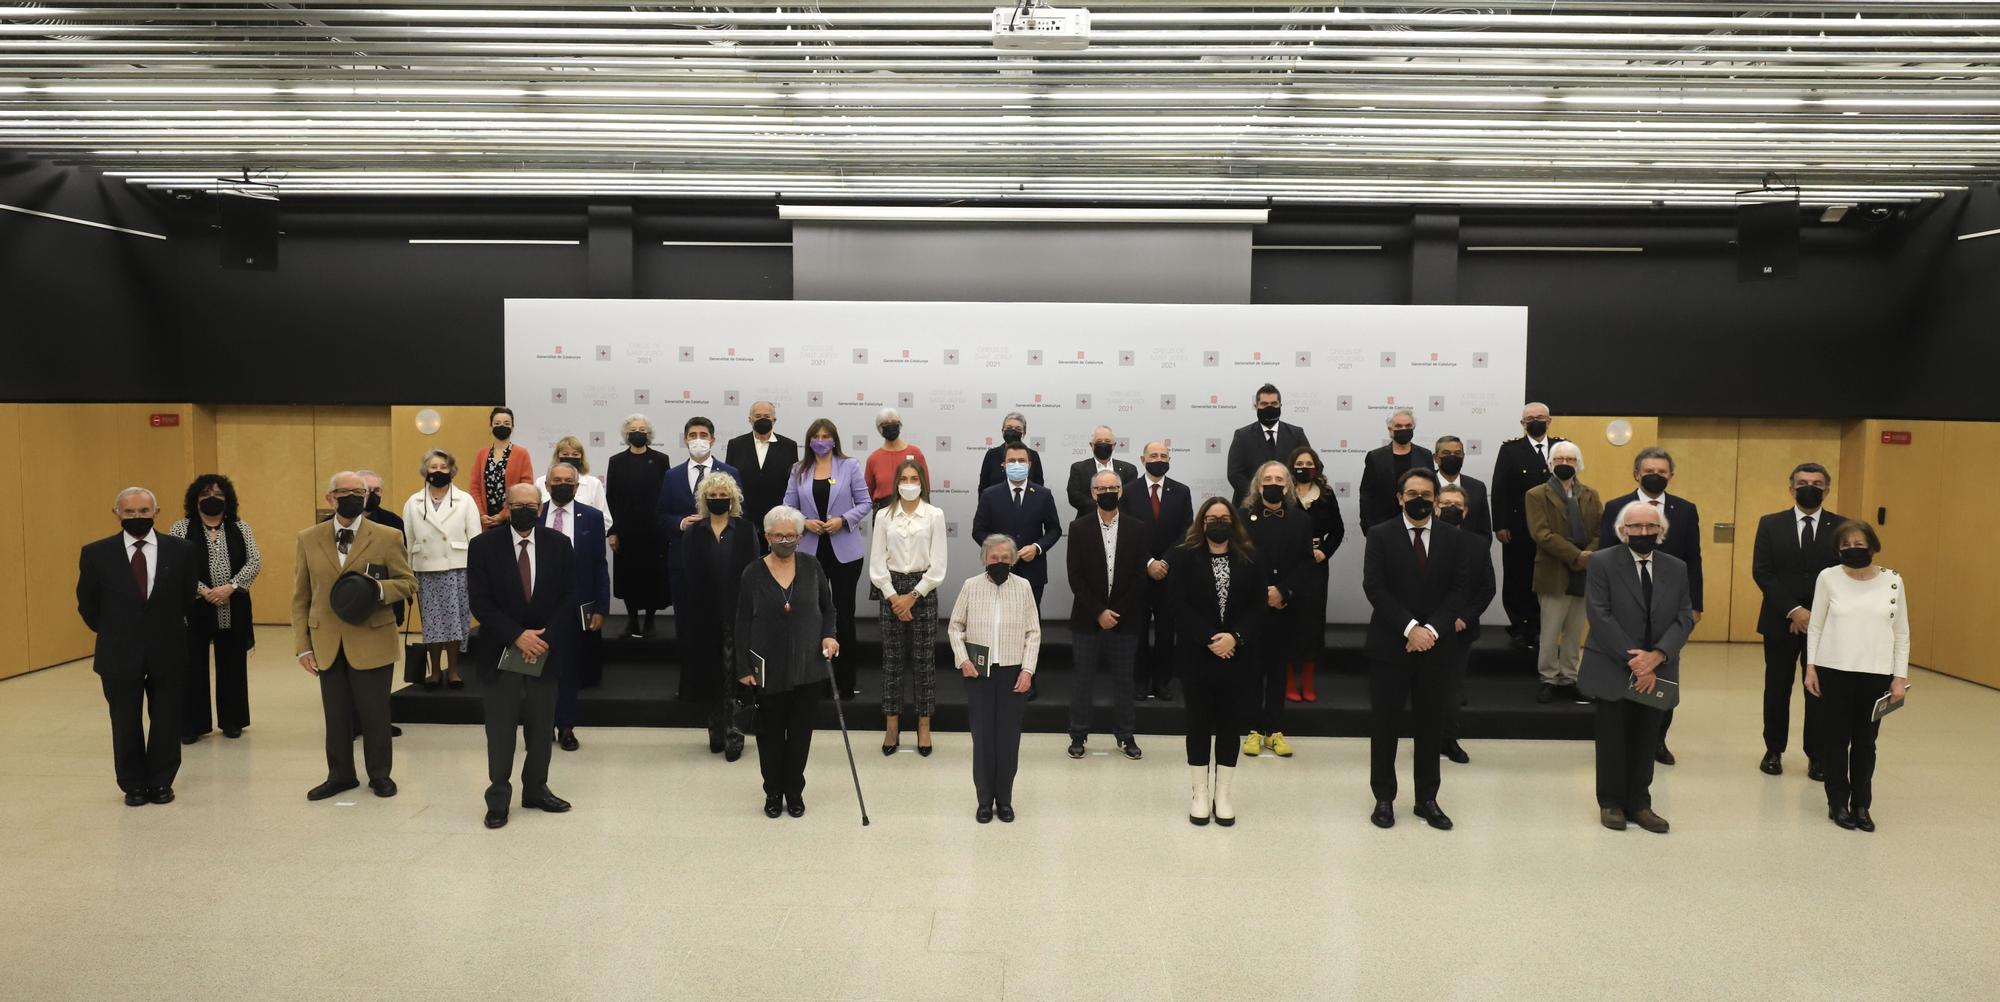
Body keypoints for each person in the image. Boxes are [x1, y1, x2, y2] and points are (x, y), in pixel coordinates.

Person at [294, 471, 417, 803]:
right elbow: (301, 597)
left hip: (373, 637)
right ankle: (340, 775)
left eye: (358, 492)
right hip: (327, 641)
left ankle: (380, 774)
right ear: (330, 498)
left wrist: (376, 589)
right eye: (344, 491)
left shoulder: (388, 536)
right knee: (335, 715)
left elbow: (408, 583)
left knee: (375, 713)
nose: (352, 497)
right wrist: (302, 647)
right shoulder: (308, 538)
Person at [1363, 469, 1474, 832]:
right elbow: (1375, 588)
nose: (1419, 499)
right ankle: (1384, 797)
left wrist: (1431, 630)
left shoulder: (1453, 538)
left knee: (1430, 726)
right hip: (1390, 645)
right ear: (1399, 497)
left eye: (1427, 494)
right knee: (1385, 726)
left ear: (1436, 498)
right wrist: (1411, 628)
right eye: (1412, 493)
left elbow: (1459, 591)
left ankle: (1427, 798)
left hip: (1437, 647)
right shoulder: (1380, 535)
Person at [77, 487, 200, 806]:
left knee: (166, 718)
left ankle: (161, 781)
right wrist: (113, 630)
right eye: (129, 512)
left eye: (144, 511)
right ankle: (133, 784)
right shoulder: (96, 553)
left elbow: (187, 598)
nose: (137, 517)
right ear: (116, 513)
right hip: (118, 651)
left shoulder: (182, 550)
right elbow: (88, 603)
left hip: (167, 648)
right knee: (124, 719)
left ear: (156, 513)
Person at [467, 483, 578, 830]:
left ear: (540, 507)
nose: (525, 510)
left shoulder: (559, 544)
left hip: (547, 648)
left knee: (542, 726)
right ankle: (498, 797)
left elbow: (570, 595)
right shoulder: (483, 546)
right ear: (507, 506)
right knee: (501, 731)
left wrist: (541, 639)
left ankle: (536, 789)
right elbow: (480, 601)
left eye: (532, 504)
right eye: (518, 505)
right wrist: (517, 636)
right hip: (501, 650)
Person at [1578, 502, 1693, 835]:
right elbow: (1599, 614)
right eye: (1636, 527)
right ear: (1622, 531)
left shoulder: (1677, 567)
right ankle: (1611, 803)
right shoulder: (1602, 562)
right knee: (1612, 736)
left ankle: (1641, 803)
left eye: (1650, 527)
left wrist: (1656, 657)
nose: (1643, 532)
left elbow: (1684, 617)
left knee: (1647, 736)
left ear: (1661, 531)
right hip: (1613, 663)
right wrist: (1637, 661)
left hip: (1659, 667)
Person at [1598, 447, 1703, 766]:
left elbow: (1692, 558)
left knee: (1665, 669)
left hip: (1669, 607)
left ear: (1671, 474)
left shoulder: (1685, 510)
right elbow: (1604, 556)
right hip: (1625, 603)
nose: (1655, 475)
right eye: (1648, 470)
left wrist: (1695, 604)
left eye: (1661, 470)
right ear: (1636, 474)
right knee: (1624, 665)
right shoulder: (1616, 507)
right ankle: (1624, 733)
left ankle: (1658, 738)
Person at [735, 506, 839, 819]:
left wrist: (829, 636)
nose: (785, 540)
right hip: (767, 669)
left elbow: (828, 609)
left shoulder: (812, 566)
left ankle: (794, 791)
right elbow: (741, 623)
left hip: (808, 668)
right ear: (767, 537)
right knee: (770, 739)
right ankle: (772, 792)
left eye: (791, 536)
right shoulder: (752, 573)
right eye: (779, 535)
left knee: (799, 737)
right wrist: (742, 667)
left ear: (800, 537)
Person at [1805, 520, 1908, 832]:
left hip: (1876, 672)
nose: (1853, 549)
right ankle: (1837, 802)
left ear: (1873, 546)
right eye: (1846, 544)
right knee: (1836, 740)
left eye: (1859, 543)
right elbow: (1817, 625)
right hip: (1833, 670)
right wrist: (1811, 666)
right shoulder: (1828, 577)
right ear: (1837, 550)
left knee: (1866, 743)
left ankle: (1862, 804)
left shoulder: (1893, 581)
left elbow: (1901, 632)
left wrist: (1899, 677)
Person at [1173, 496, 1264, 828]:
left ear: (1233, 522)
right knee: (1198, 723)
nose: (1218, 523)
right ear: (1201, 522)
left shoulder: (1250, 557)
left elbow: (1258, 607)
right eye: (1211, 518)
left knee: (1229, 724)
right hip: (1197, 655)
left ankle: (1223, 794)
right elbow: (1178, 606)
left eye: (1224, 517)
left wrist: (1235, 638)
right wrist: (1211, 639)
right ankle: (1199, 793)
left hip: (1238, 656)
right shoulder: (1184, 557)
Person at [1753, 462, 1844, 780]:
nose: (1810, 487)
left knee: (1818, 689)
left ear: (1827, 489)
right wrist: (1794, 610)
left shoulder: (1841, 527)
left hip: (1826, 624)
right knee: (1776, 688)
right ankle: (1773, 750)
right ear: (1791, 488)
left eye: (1817, 483)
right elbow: (1762, 572)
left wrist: (1813, 615)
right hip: (1780, 621)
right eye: (1803, 482)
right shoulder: (1770, 524)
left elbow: (1843, 576)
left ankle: (1816, 755)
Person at [948, 535, 1041, 824]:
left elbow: (1033, 633)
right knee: (983, 739)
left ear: (1013, 560)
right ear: (984, 560)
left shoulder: (1024, 587)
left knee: (1009, 739)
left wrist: (1027, 670)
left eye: (1004, 558)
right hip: (979, 672)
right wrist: (963, 659)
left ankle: (1005, 799)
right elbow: (955, 627)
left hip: (1013, 673)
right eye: (993, 558)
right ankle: (985, 800)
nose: (999, 562)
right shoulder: (970, 586)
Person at [168, 474, 261, 744]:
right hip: (195, 607)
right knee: (192, 666)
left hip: (233, 605)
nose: (212, 499)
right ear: (194, 499)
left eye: (219, 495)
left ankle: (233, 721)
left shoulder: (241, 527)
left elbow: (254, 561)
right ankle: (192, 724)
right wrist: (203, 591)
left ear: (228, 500)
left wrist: (230, 587)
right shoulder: (180, 528)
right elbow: (176, 565)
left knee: (232, 664)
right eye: (206, 494)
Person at [783, 418, 871, 699]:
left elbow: (865, 502)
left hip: (844, 552)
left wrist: (843, 520)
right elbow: (787, 505)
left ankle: (845, 683)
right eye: (816, 436)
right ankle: (813, 680)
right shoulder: (799, 469)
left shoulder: (850, 466)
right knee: (811, 613)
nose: (821, 440)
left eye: (826, 435)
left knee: (843, 615)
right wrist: (804, 522)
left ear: (834, 439)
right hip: (809, 551)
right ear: (809, 440)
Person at [1066, 469, 1150, 761]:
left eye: (1113, 487)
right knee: (1083, 680)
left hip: (1125, 618)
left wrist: (1116, 612)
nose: (1108, 492)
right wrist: (1099, 611)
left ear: (1122, 491)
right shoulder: (1078, 528)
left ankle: (1126, 735)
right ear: (1093, 493)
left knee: (1124, 680)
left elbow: (1140, 577)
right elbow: (1075, 578)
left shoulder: (1138, 528)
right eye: (1102, 488)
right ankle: (1078, 734)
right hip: (1087, 619)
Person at [867, 459, 947, 756]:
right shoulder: (884, 516)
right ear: (897, 482)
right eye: (905, 478)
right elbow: (877, 564)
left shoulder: (934, 515)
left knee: (924, 662)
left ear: (922, 483)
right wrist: (893, 596)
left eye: (915, 478)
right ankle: (892, 725)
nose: (910, 483)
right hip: (890, 590)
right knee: (892, 661)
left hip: (923, 591)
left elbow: (938, 567)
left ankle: (923, 726)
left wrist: (913, 595)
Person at [680, 471, 760, 761]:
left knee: (734, 673)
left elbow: (754, 571)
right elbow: (687, 573)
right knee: (711, 672)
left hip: (737, 611)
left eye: (722, 496)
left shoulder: (746, 528)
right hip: (704, 613)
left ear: (732, 499)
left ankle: (735, 731)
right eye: (711, 496)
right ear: (704, 500)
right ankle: (714, 725)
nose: (717, 500)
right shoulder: (693, 531)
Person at [659, 417, 741, 693]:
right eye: (692, 434)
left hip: (723, 563)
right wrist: (682, 523)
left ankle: (724, 683)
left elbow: (741, 513)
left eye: (703, 434)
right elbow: (661, 515)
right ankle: (690, 684)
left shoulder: (730, 471)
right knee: (687, 623)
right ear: (685, 440)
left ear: (713, 439)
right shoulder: (672, 475)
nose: (698, 439)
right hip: (684, 561)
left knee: (723, 625)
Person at [1240, 460, 1313, 760]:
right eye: (1267, 478)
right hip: (1252, 608)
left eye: (1279, 479)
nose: (1273, 483)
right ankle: (1254, 729)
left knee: (1278, 670)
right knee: (1253, 670)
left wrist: (1283, 591)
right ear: (1258, 485)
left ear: (1288, 486)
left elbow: (1305, 563)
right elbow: (1238, 558)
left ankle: (1276, 730)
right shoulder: (1243, 517)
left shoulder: (1300, 520)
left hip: (1286, 607)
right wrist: (1262, 594)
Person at [1525, 440, 1601, 705]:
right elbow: (1541, 534)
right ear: (1551, 463)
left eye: (1570, 459)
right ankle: (1548, 678)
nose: (1564, 464)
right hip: (1553, 570)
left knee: (1574, 629)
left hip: (1584, 571)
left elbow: (1599, 532)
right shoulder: (1536, 494)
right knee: (1550, 629)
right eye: (1559, 460)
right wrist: (1576, 556)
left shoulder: (1591, 494)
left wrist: (1587, 555)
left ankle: (1569, 677)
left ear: (1578, 463)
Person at [542, 461, 610, 753]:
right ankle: (541, 725)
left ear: (576, 485)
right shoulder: (533, 513)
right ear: (547, 485)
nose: (562, 484)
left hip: (575, 605)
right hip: (537, 606)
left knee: (569, 670)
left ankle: (566, 726)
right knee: (538, 669)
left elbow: (598, 564)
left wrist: (600, 607)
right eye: (556, 479)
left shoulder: (592, 517)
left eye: (568, 480)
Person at [400, 449, 480, 689]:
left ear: (451, 470)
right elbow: (409, 538)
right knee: (432, 625)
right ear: (425, 471)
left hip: (457, 567)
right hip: (426, 569)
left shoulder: (465, 499)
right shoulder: (413, 502)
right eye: (433, 467)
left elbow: (476, 538)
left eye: (443, 467)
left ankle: (454, 670)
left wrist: (476, 573)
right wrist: (408, 573)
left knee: (456, 622)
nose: (438, 472)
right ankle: (434, 671)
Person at [1123, 440, 1193, 701]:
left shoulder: (1182, 491)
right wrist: (1149, 562)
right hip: (1139, 574)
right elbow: (1126, 532)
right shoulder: (1128, 492)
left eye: (1163, 455)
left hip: (1170, 573)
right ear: (1143, 460)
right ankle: (1139, 681)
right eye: (1153, 455)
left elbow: (1187, 530)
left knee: (1166, 632)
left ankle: (1163, 681)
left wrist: (1165, 561)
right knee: (1138, 632)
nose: (1159, 459)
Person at [1490, 402, 1562, 650]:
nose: (1535, 421)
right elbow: (1499, 489)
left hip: (1553, 530)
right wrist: (1499, 525)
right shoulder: (1510, 450)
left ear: (1549, 421)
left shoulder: (1562, 447)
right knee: (1517, 577)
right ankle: (1520, 627)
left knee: (1547, 578)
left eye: (1540, 417)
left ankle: (1543, 628)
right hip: (1518, 528)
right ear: (1522, 424)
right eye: (1530, 418)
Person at [1435, 483, 1495, 766]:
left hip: (1460, 629)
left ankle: (1449, 739)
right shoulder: (1421, 541)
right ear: (1435, 506)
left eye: (1456, 505)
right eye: (1444, 503)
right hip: (1426, 630)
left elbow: (1486, 589)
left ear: (1466, 511)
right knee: (1425, 689)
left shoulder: (1478, 544)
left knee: (1452, 689)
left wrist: (1463, 617)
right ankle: (1426, 738)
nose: (1450, 509)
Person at [970, 441, 1065, 609]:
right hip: (998, 569)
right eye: (1011, 461)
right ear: (1004, 465)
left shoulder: (1043, 495)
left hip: (1033, 571)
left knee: (1030, 621)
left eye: (1021, 461)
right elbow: (978, 531)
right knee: (999, 618)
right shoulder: (989, 495)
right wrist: (998, 550)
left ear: (1029, 465)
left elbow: (1054, 529)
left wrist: (1037, 547)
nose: (1016, 464)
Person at [605, 413, 673, 637]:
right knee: (628, 576)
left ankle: (650, 621)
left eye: (642, 429)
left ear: (649, 434)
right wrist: (612, 532)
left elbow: (666, 495)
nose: (638, 432)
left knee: (653, 576)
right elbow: (611, 497)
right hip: (626, 531)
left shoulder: (661, 459)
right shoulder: (616, 461)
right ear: (626, 434)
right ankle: (632, 620)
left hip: (654, 531)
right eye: (634, 429)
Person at [1286, 445, 1344, 704]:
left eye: (1309, 463)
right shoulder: (1284, 494)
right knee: (1287, 619)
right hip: (1289, 565)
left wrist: (1325, 552)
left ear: (1316, 467)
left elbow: (1338, 530)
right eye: (1299, 463)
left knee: (1313, 622)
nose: (1304, 468)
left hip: (1317, 566)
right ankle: (1287, 680)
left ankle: (1307, 681)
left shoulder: (1327, 495)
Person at [722, 400, 799, 553]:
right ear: (750, 419)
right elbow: (729, 483)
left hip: (778, 522)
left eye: (766, 416)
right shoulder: (736, 445)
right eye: (758, 416)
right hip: (744, 519)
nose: (762, 419)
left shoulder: (789, 446)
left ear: (774, 420)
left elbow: (792, 484)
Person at [1226, 383, 1311, 497]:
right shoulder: (1242, 436)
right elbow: (1234, 474)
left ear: (1280, 405)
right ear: (1256, 406)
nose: (1269, 407)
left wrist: (1288, 492)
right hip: (1250, 504)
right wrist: (1258, 495)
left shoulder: (1296, 434)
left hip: (1290, 503)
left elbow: (1310, 467)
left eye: (1274, 404)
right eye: (1264, 404)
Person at [1358, 408, 1434, 532]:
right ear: (1390, 429)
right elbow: (1366, 494)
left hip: (1418, 522)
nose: (1404, 429)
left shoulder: (1425, 455)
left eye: (1408, 425)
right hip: (1383, 525)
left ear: (1413, 428)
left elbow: (1432, 490)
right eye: (1398, 426)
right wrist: (1368, 526)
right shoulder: (1375, 457)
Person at [473, 406, 535, 531]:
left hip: (512, 518)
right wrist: (481, 514)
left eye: (507, 423)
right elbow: (475, 488)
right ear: (491, 426)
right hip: (486, 520)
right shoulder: (482, 454)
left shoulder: (522, 453)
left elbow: (525, 487)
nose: (502, 426)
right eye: (497, 423)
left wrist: (503, 515)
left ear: (512, 427)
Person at [536, 438, 612, 530]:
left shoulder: (593, 483)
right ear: (557, 456)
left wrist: (583, 532)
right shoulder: (541, 482)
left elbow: (606, 520)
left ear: (581, 458)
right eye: (565, 454)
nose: (570, 457)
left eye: (575, 454)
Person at [1064, 425, 1139, 518]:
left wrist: (1113, 510)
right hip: (1087, 521)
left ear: (1114, 445)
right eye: (1099, 441)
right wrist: (1102, 508)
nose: (1103, 444)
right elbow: (1074, 496)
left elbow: (1131, 497)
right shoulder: (1078, 468)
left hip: (1121, 521)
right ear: (1091, 445)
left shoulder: (1129, 469)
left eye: (1107, 441)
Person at [864, 407, 929, 506]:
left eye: (894, 422)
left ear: (900, 425)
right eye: (885, 423)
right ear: (879, 428)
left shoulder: (915, 453)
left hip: (913, 509)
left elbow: (925, 487)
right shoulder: (873, 459)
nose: (890, 426)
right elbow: (867, 494)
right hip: (883, 512)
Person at [1432, 436, 1491, 539]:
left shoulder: (1477, 487)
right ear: (1436, 458)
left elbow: (1484, 531)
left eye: (1457, 453)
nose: (1452, 457)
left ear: (1463, 457)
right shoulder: (1426, 487)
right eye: (1446, 453)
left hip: (1469, 551)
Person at [978, 412, 1045, 493]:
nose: (1013, 431)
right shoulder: (992, 454)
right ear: (1002, 430)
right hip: (996, 503)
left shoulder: (1033, 455)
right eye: (1009, 428)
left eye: (1018, 429)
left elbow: (1039, 487)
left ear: (1024, 433)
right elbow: (983, 487)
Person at [358, 469, 404, 535]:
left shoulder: (393, 521)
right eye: (367, 489)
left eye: (377, 490)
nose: (372, 493)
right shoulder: (343, 519)